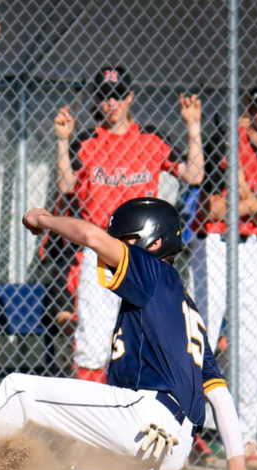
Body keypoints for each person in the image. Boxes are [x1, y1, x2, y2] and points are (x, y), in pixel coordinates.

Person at [0, 198, 257, 470]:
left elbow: (92, 237)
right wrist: (237, 468)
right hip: (173, 450)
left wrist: (45, 219)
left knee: (18, 389)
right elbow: (219, 395)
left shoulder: (154, 272)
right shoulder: (188, 314)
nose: (116, 245)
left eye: (125, 240)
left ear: (153, 243)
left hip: (146, 419)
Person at [52, 65, 203, 382]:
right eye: (105, 96)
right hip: (100, 253)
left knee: (146, 340)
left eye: (118, 95)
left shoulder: (151, 139)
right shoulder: (87, 141)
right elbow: (66, 184)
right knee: (93, 345)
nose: (111, 103)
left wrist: (193, 126)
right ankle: (87, 423)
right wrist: (62, 142)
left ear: (130, 97)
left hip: (143, 254)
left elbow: (194, 175)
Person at [189, 80, 257, 470]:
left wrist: (246, 200)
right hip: (213, 245)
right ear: (251, 106)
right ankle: (186, 427)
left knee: (251, 346)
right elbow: (215, 209)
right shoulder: (224, 141)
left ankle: (246, 436)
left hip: (252, 251)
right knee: (203, 336)